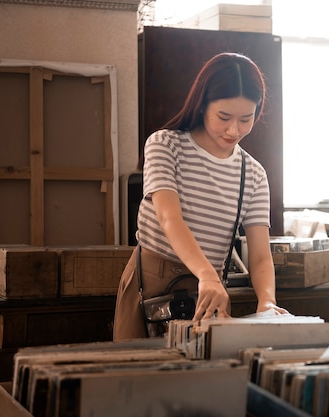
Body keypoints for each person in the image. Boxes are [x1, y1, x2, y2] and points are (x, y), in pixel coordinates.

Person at [113, 52, 289, 341]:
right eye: (224, 117)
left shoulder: (253, 173)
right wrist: (206, 274)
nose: (234, 130)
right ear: (202, 103)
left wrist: (267, 301)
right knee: (139, 377)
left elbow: (259, 257)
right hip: (153, 280)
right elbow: (169, 218)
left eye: (246, 119)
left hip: (210, 291)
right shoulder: (165, 144)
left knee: (202, 381)